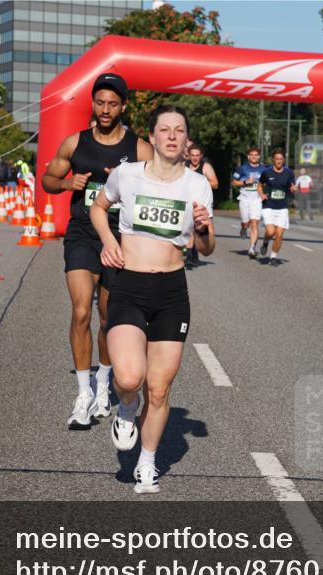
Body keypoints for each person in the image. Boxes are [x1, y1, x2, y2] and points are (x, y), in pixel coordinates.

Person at [91, 104, 214, 494]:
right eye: (165, 129)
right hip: (129, 285)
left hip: (172, 292)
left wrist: (205, 229)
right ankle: (126, 408)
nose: (173, 136)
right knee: (129, 377)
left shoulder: (197, 185)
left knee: (159, 390)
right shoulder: (128, 175)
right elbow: (98, 207)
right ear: (153, 136)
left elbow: (206, 248)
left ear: (187, 140)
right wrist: (109, 241)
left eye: (180, 130)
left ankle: (147, 462)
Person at [42, 72, 154, 429]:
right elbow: (46, 179)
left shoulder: (138, 149)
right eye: (100, 102)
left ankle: (103, 386)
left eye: (113, 104)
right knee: (80, 312)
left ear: (123, 106)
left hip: (120, 239)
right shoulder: (76, 143)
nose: (105, 110)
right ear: (93, 103)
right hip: (82, 235)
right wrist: (65, 183)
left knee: (108, 317)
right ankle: (83, 393)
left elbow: (158, 187)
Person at [257, 148, 296, 266]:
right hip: (268, 206)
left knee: (279, 235)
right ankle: (265, 242)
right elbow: (259, 184)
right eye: (277, 159)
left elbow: (292, 186)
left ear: (283, 160)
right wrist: (261, 194)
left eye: (281, 159)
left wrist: (293, 189)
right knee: (270, 231)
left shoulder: (289, 172)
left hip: (282, 207)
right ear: (273, 159)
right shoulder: (267, 172)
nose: (279, 161)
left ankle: (273, 257)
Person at [183, 141, 218, 268]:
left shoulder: (205, 167)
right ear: (188, 155)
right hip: (188, 200)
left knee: (200, 227)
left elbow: (215, 184)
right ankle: (190, 255)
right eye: (192, 155)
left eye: (197, 155)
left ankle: (193, 254)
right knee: (190, 227)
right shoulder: (183, 166)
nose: (195, 158)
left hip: (203, 201)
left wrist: (201, 180)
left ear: (201, 156)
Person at [232, 147, 267, 253]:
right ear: (248, 156)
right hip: (245, 198)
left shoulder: (264, 169)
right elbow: (234, 182)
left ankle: (252, 248)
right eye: (252, 154)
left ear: (259, 156)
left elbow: (268, 182)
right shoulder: (242, 168)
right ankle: (243, 228)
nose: (254, 156)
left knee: (254, 223)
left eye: (256, 154)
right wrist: (245, 182)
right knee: (246, 223)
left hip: (257, 199)